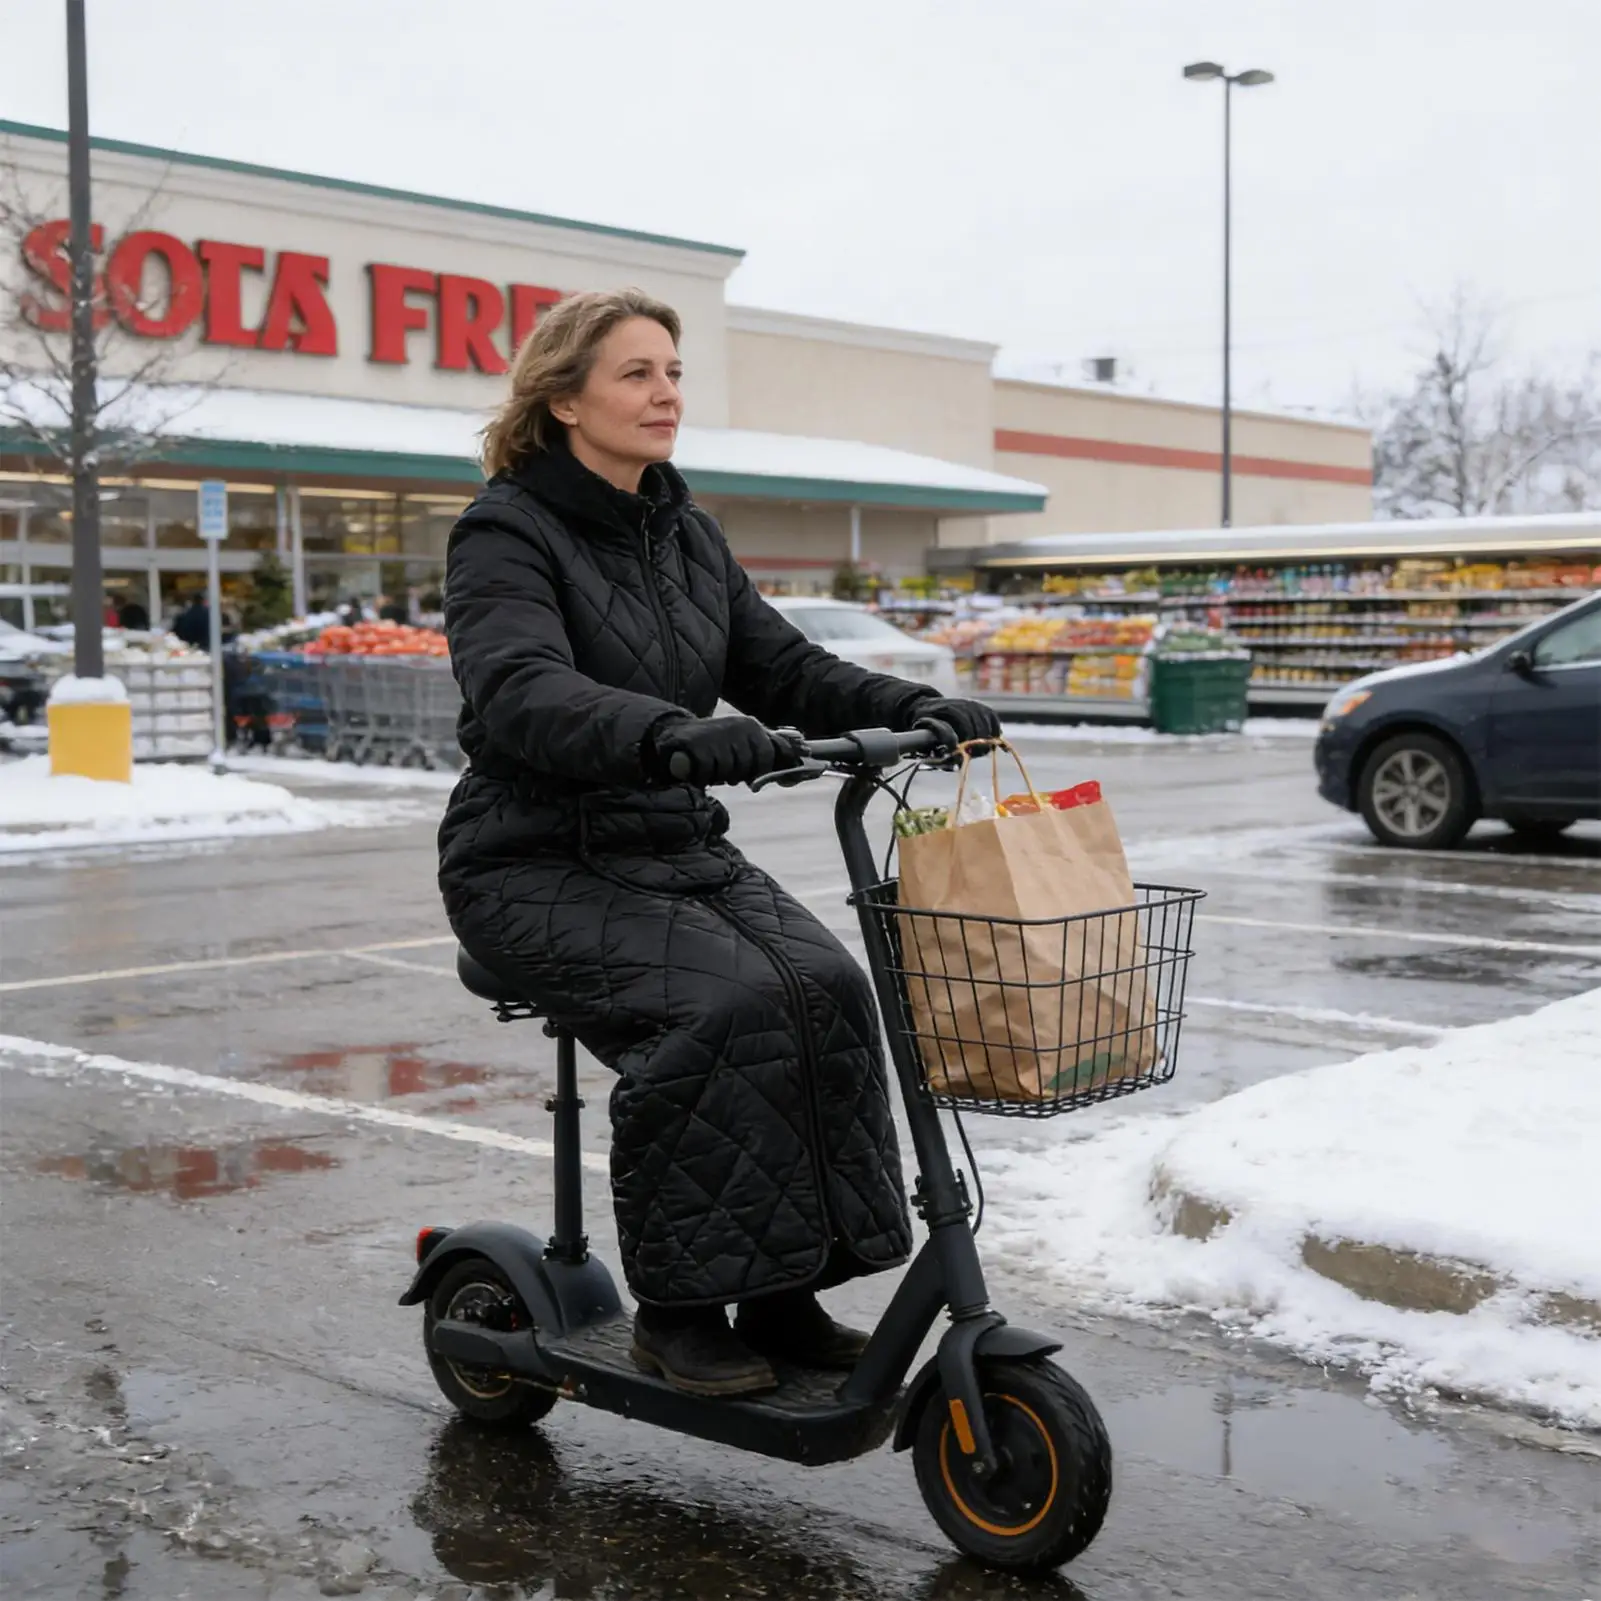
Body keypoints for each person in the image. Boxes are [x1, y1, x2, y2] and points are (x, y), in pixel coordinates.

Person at [439, 289, 1000, 1398]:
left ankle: (785, 1290)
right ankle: (680, 1308)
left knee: (828, 985)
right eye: (636, 373)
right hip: (532, 855)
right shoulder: (505, 530)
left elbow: (784, 665)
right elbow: (517, 688)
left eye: (674, 371)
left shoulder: (684, 533)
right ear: (562, 398)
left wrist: (914, 699)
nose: (666, 394)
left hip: (671, 844)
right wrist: (670, 734)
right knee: (724, 1007)